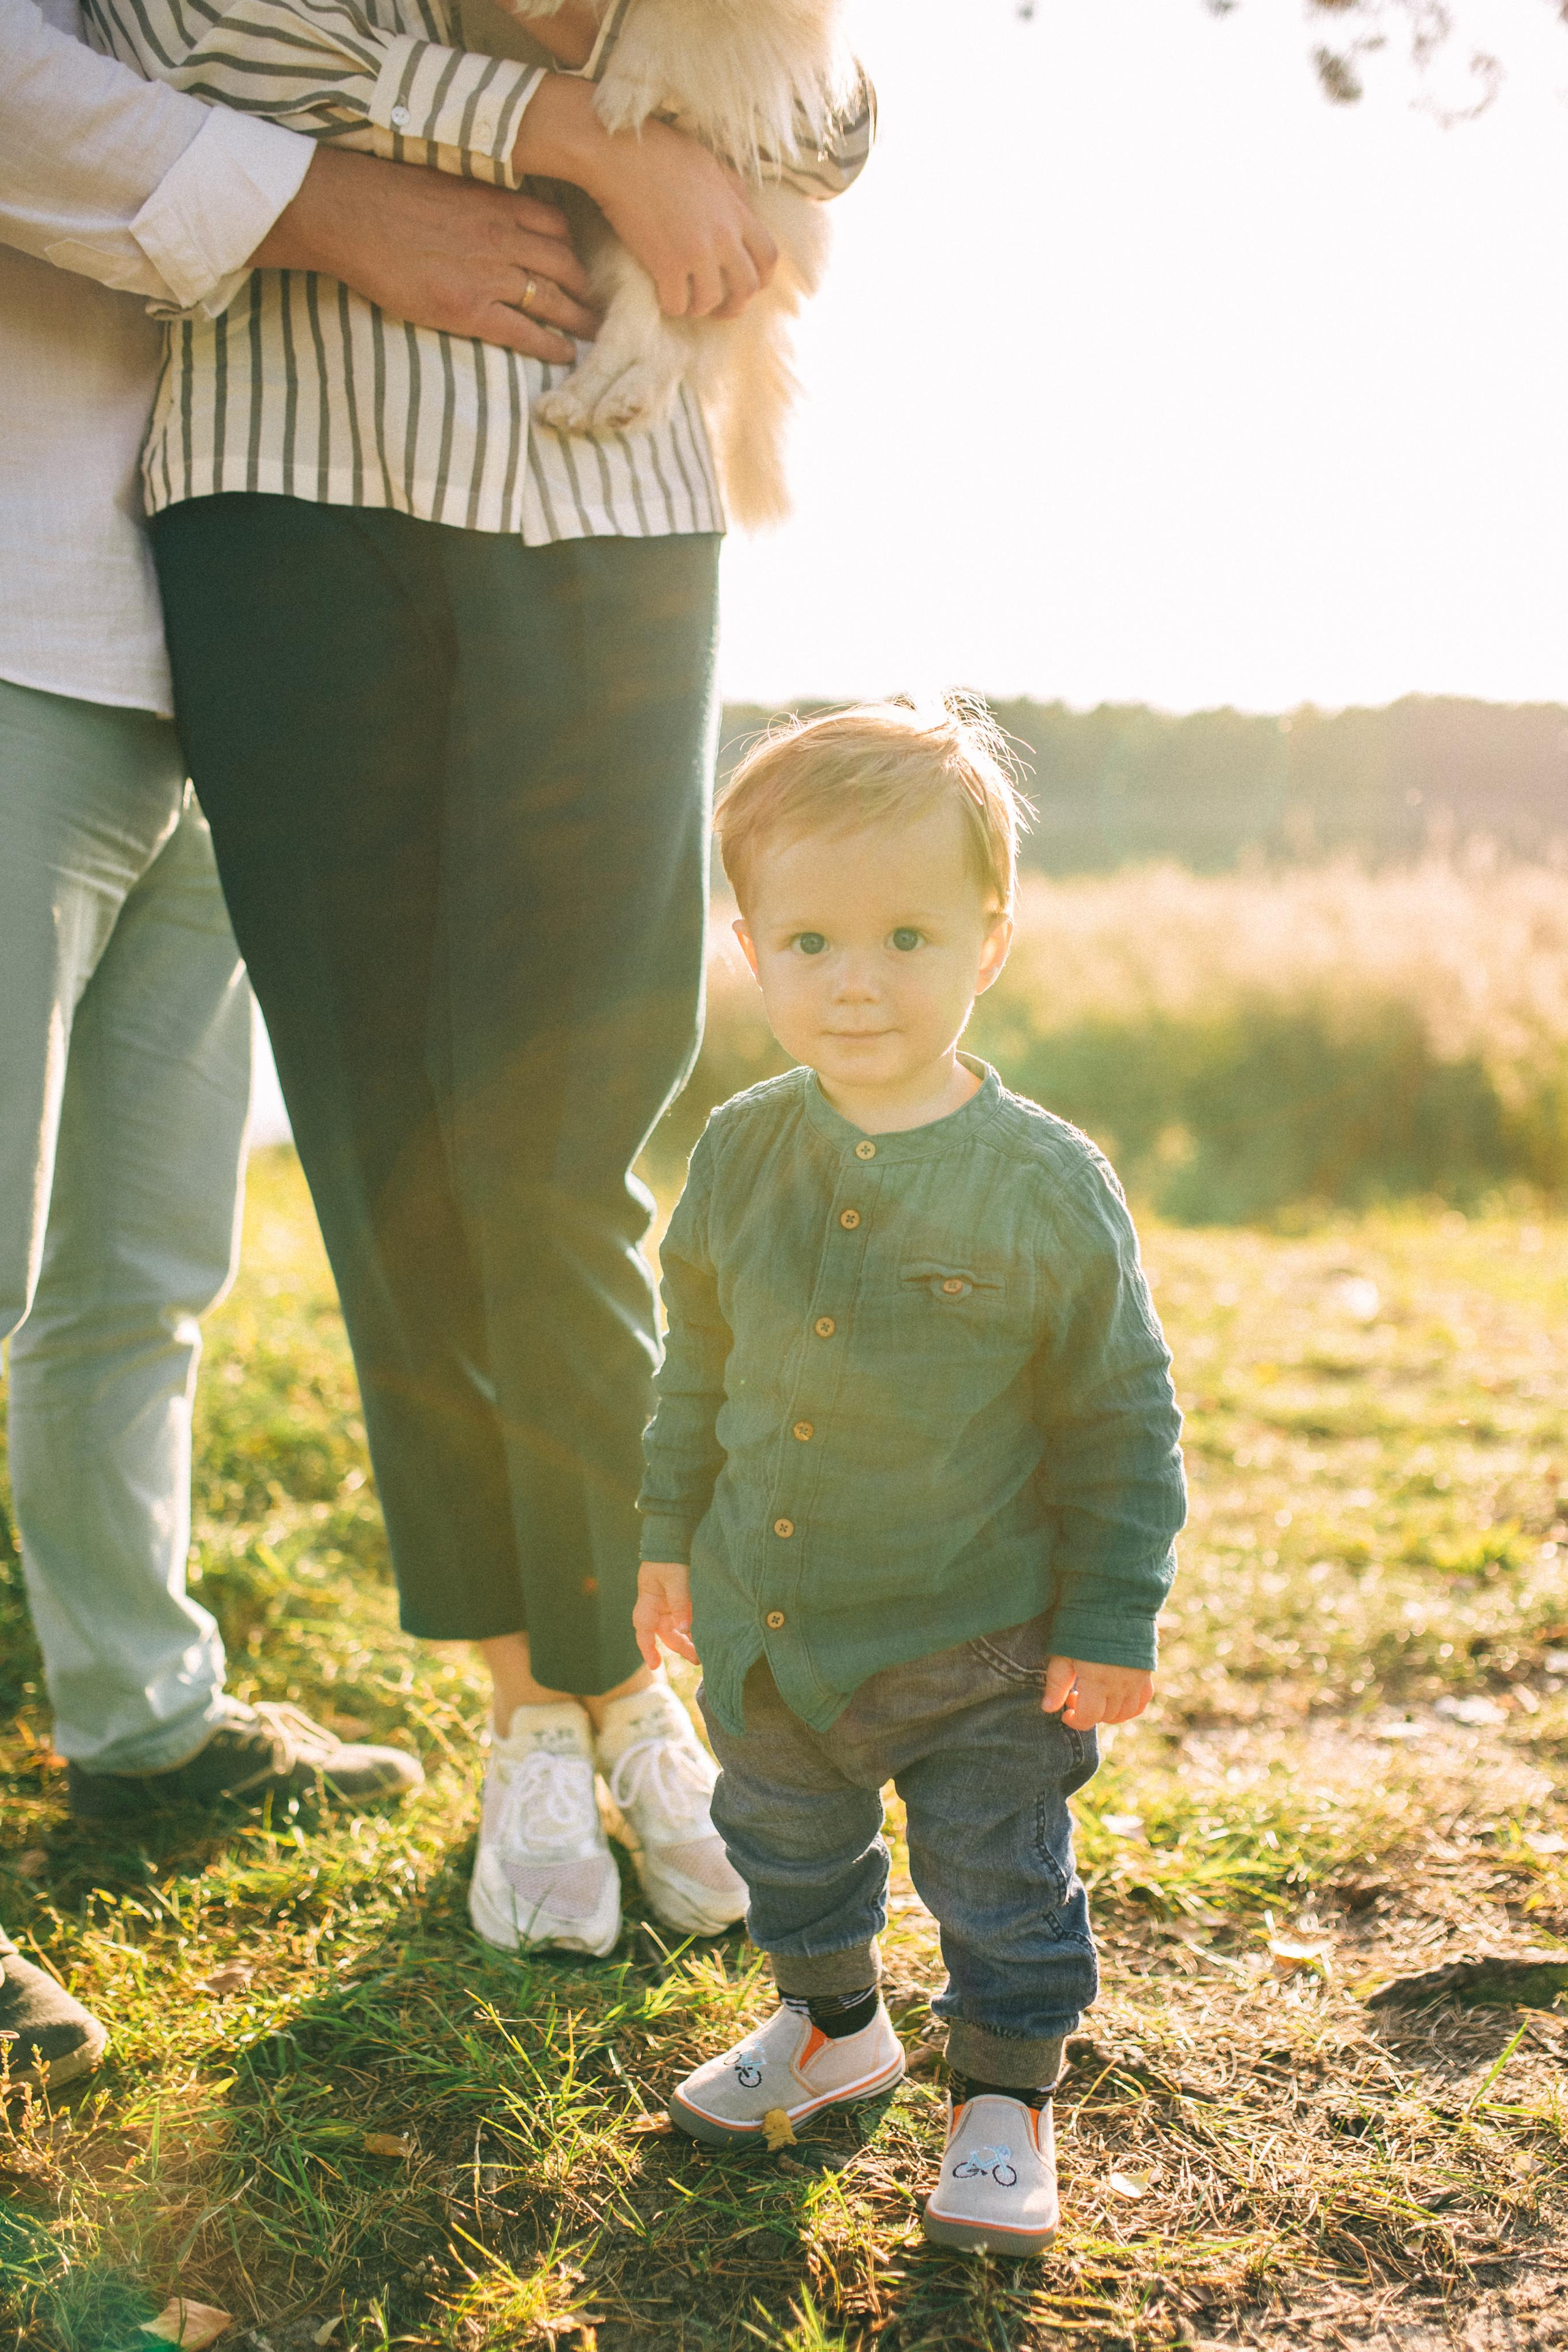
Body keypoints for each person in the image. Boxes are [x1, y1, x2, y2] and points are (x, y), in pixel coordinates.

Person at [80, 0, 875, 1961]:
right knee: (389, 1138)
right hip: (289, 479)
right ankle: (539, 1710)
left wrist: (625, 91)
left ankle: (626, 1689)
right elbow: (169, 30)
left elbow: (831, 124)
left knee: (563, 1138)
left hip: (613, 483)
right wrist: (565, 126)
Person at [0, 0, 610, 2084]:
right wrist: (337, 211)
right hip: (11, 605)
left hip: (234, 640)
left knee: (143, 1266)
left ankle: (141, 1716)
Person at [633, 700, 1188, 2255]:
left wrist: (1111, 1618)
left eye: (905, 937)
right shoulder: (737, 1150)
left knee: (998, 1879)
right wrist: (666, 1537)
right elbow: (694, 1367)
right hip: (769, 1628)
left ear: (986, 944)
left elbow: (1119, 1419)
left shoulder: (1042, 1181)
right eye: (808, 942)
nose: (855, 980)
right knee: (784, 1849)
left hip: (980, 1645)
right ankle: (831, 2028)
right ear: (748, 946)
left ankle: (1003, 2100)